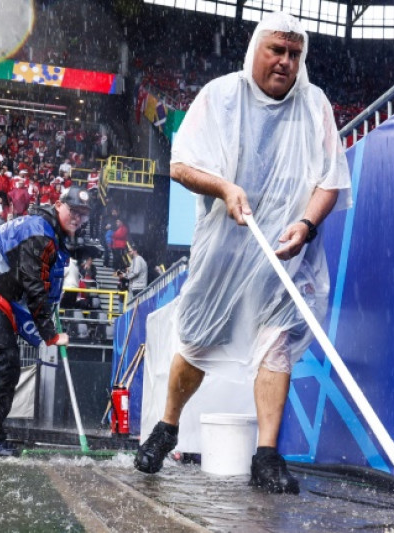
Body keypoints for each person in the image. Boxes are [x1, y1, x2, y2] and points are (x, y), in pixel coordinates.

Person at [133, 12, 351, 495]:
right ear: (255, 48)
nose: (286, 62)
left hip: (283, 252)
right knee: (195, 341)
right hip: (225, 249)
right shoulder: (221, 96)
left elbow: (329, 180)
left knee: (276, 346)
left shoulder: (314, 105)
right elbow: (182, 164)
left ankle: (267, 456)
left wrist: (307, 223)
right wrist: (226, 188)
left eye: (295, 54)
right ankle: (166, 429)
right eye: (277, 50)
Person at [0, 186, 89, 456]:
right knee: (4, 359)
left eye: (83, 214)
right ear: (58, 205)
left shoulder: (46, 229)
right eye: (73, 210)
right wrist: (50, 334)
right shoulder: (40, 232)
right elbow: (34, 285)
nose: (77, 218)